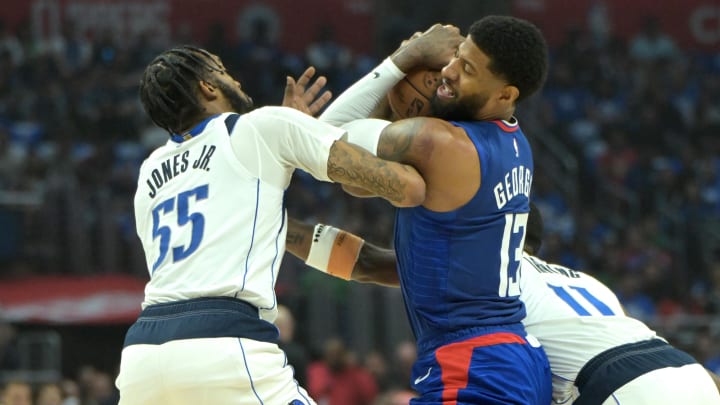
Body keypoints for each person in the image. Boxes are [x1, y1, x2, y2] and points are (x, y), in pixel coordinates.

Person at [114, 37, 458, 405]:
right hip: (224, 345)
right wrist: (404, 63)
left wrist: (284, 148)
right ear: (207, 86)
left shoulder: (150, 173)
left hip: (142, 357)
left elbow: (242, 209)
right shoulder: (260, 128)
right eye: (222, 70)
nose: (235, 78)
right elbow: (406, 188)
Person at [308, 16, 552, 404]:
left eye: (467, 69)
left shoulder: (441, 144)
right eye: (456, 56)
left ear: (505, 95)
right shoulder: (515, 144)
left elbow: (320, 138)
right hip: (512, 358)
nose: (448, 71)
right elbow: (356, 182)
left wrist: (402, 59)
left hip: (471, 365)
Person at [285, 203, 720, 404]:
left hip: (622, 386)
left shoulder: (490, 263)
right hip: (684, 370)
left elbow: (369, 263)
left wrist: (277, 227)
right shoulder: (585, 280)